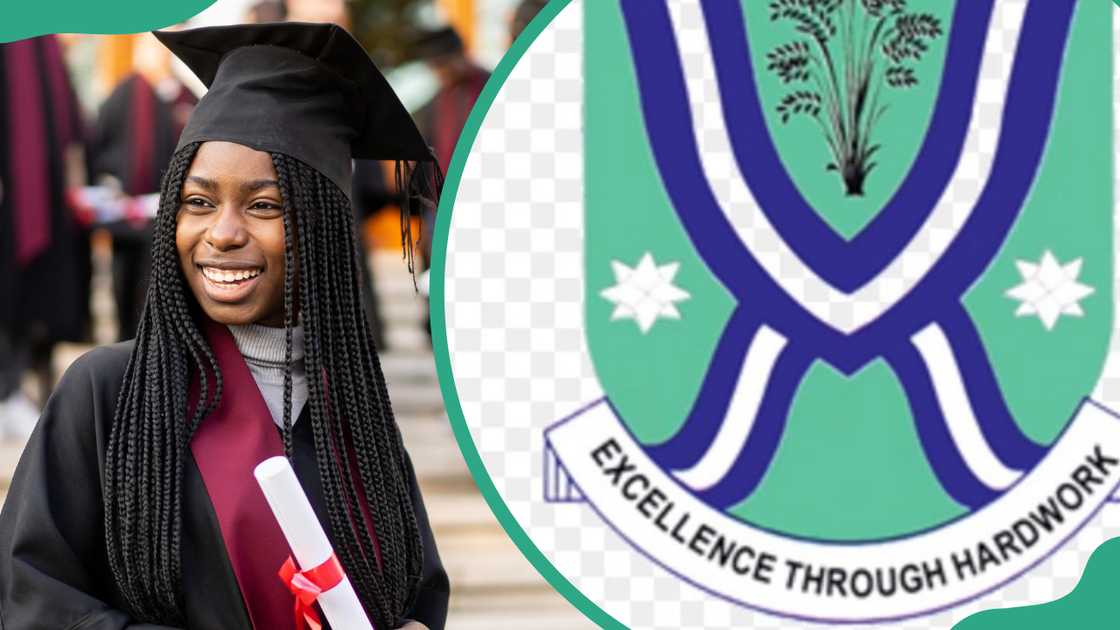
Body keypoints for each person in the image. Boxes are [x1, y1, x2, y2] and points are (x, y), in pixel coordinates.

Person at [0, 23, 446, 630]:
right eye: (198, 201)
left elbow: (415, 596)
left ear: (321, 228)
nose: (222, 233)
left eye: (263, 205)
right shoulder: (109, 393)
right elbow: (31, 602)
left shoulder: (356, 414)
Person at [0, 35, 89, 439]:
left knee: (34, 299)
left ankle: (16, 387)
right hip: (13, 198)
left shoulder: (43, 44)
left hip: (36, 200)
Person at [89, 33, 198, 341]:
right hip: (127, 217)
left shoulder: (183, 98)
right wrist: (109, 183)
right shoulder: (123, 94)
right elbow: (100, 146)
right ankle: (125, 343)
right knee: (123, 285)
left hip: (165, 217)